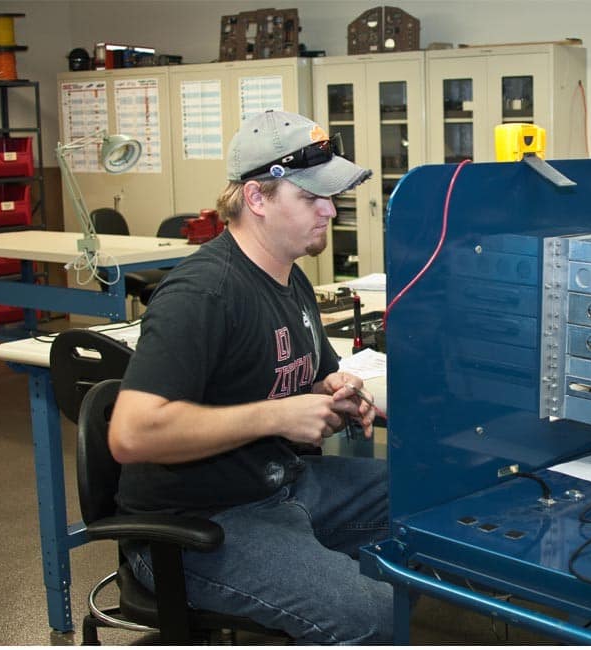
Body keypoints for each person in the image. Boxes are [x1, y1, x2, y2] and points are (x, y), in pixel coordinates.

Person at [108, 110, 392, 643]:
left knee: (432, 502)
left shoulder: (289, 277)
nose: (331, 210)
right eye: (312, 198)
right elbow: (131, 434)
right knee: (370, 613)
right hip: (201, 523)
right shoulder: (203, 293)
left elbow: (296, 381)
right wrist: (279, 414)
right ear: (257, 199)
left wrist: (330, 393)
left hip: (285, 485)